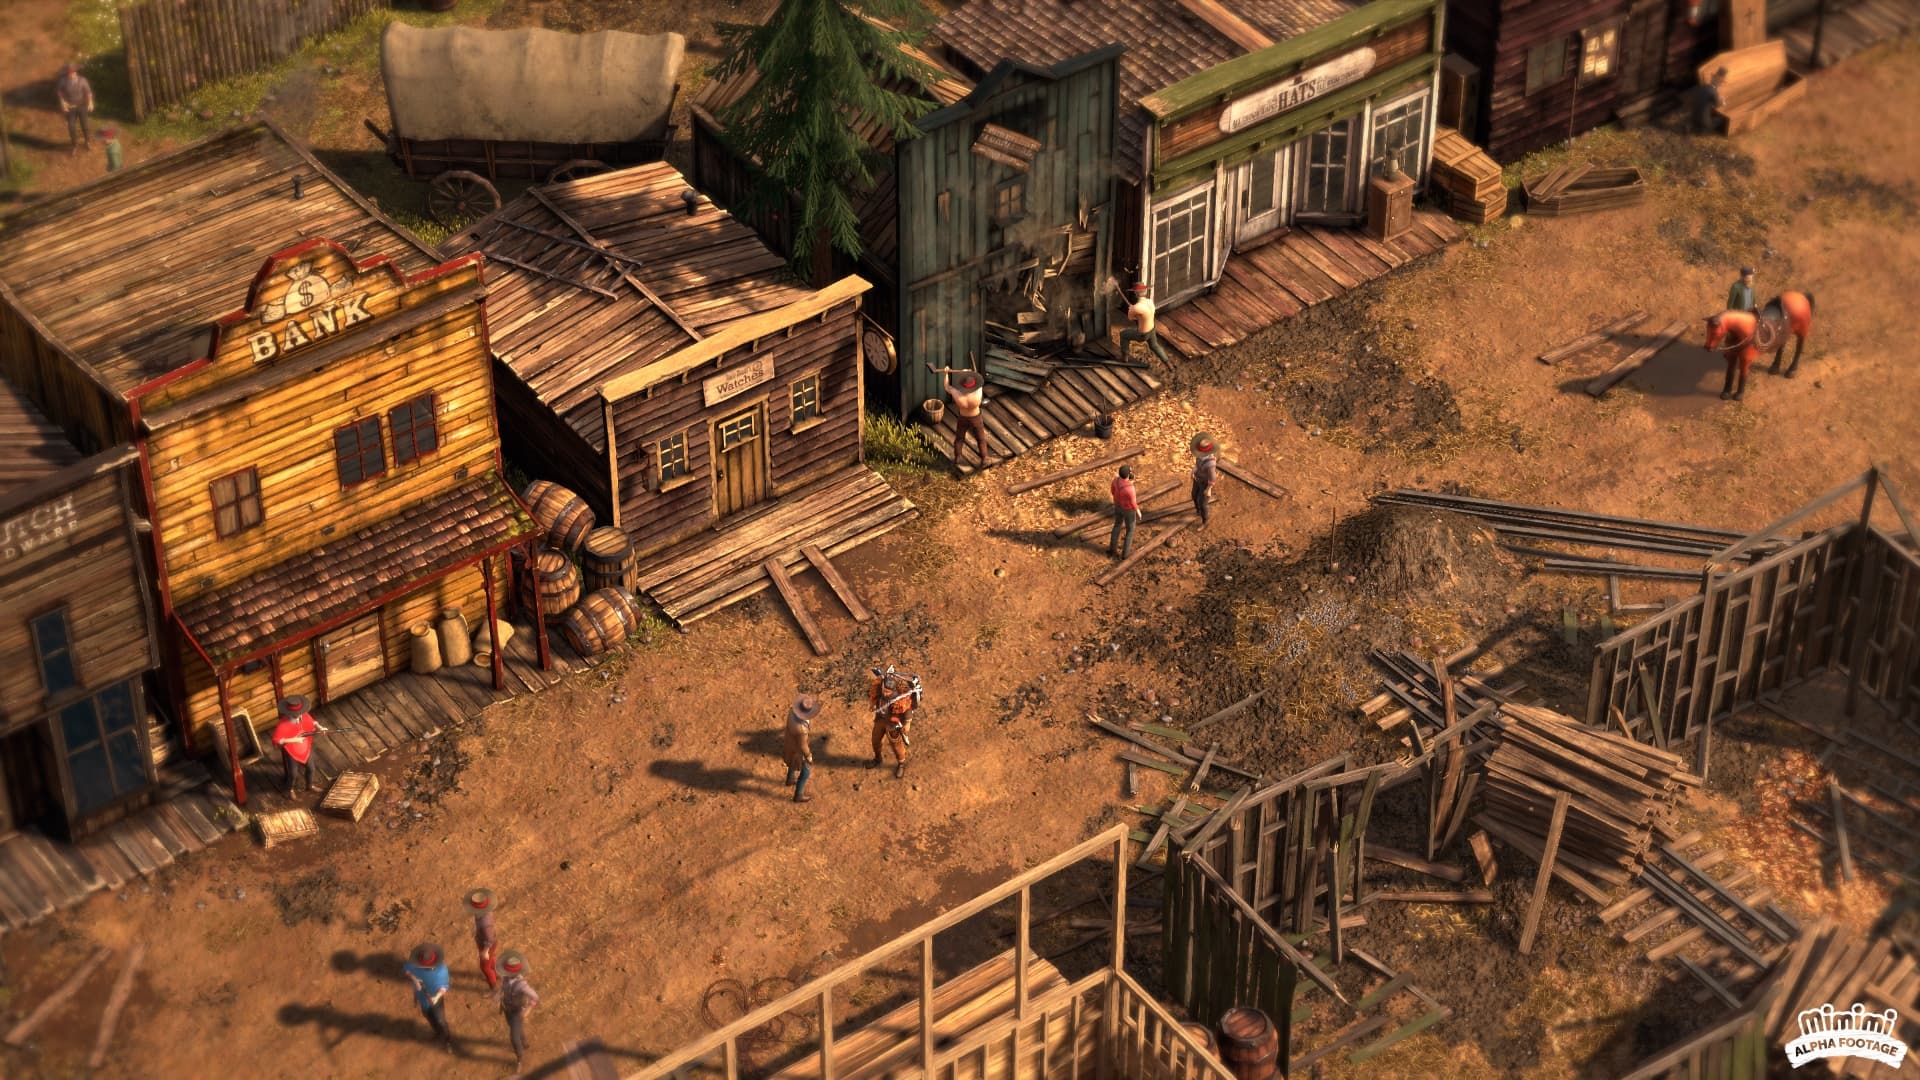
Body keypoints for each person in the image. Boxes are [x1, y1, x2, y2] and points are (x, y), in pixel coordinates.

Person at [932, 366, 988, 475]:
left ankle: (957, 457)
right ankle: (984, 459)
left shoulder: (956, 392)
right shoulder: (978, 390)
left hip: (963, 418)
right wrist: (968, 372)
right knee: (981, 439)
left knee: (959, 439)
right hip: (976, 417)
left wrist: (946, 373)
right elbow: (977, 378)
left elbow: (947, 387)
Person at [403, 943, 456, 1054]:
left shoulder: (441, 970)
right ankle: (437, 1033)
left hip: (435, 1000)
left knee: (440, 1020)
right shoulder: (415, 964)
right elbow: (406, 968)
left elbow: (444, 986)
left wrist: (436, 997)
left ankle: (448, 1041)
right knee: (428, 1016)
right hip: (422, 997)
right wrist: (414, 979)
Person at [869, 665, 920, 779]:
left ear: (893, 690)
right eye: (884, 690)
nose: (885, 693)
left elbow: (907, 712)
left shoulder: (900, 699)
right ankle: (877, 758)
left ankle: (901, 764)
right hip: (880, 720)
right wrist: (873, 704)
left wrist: (907, 724)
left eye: (888, 692)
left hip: (892, 725)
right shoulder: (879, 688)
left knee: (896, 746)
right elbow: (875, 697)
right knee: (875, 741)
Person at [270, 695, 323, 795]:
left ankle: (309, 785)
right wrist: (293, 739)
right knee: (293, 774)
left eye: (299, 713)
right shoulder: (282, 724)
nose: (298, 715)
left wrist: (320, 728)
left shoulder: (305, 715)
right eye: (295, 714)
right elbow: (277, 740)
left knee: (311, 768)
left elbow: (313, 722)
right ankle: (289, 789)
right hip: (292, 751)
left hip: (305, 748)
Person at [496, 950, 540, 1071]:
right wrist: (498, 997)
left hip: (516, 1012)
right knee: (516, 1027)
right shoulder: (506, 979)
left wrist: (528, 1010)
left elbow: (535, 997)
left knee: (514, 1038)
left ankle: (519, 1058)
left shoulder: (522, 985)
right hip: (507, 1010)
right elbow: (502, 989)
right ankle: (524, 1042)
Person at [1119, 282, 1172, 364]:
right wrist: (1137, 313)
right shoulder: (1150, 302)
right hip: (1152, 330)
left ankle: (1124, 359)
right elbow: (1146, 315)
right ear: (1145, 291)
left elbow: (1130, 318)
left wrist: (1132, 309)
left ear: (1136, 294)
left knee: (1123, 334)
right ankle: (1168, 364)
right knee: (1155, 345)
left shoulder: (1136, 307)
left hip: (1143, 335)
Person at [783, 693, 820, 803]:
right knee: (806, 770)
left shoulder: (792, 711)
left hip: (790, 743)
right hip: (798, 748)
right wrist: (809, 756)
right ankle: (798, 795)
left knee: (792, 760)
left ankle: (790, 779)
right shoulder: (801, 730)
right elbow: (803, 746)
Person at [465, 888, 499, 990]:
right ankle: (497, 974)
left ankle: (493, 986)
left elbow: (489, 939)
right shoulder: (485, 911)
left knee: (485, 967)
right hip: (487, 941)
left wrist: (485, 951)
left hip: (487, 944)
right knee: (491, 960)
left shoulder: (485, 924)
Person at [56, 63, 94, 154]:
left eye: (73, 72)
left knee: (85, 125)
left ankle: (87, 141)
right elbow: (60, 92)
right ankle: (74, 145)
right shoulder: (63, 81)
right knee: (71, 126)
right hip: (70, 108)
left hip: (82, 106)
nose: (71, 74)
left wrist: (90, 102)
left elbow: (88, 92)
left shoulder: (83, 80)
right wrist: (62, 102)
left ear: (76, 72)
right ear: (67, 73)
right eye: (69, 72)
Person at [1109, 465, 1141, 559]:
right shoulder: (1130, 488)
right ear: (1128, 475)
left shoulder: (1115, 480)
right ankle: (1125, 555)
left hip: (1118, 506)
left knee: (1117, 526)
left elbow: (1112, 491)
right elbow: (1133, 502)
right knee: (1130, 531)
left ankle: (1112, 550)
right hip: (1128, 511)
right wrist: (1138, 511)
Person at [1190, 433, 1219, 528]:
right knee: (1194, 495)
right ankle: (1198, 511)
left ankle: (1205, 521)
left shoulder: (1210, 463)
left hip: (1205, 483)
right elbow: (1197, 465)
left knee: (1203, 504)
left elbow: (1212, 477)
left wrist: (1208, 489)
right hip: (1197, 479)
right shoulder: (1199, 456)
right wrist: (1193, 471)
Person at [1690, 68, 1726, 134]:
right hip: (1704, 122)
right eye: (1721, 83)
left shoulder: (1703, 87)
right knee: (1721, 119)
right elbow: (1717, 105)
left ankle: (1696, 126)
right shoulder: (1714, 92)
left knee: (1706, 110)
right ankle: (1703, 130)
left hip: (1694, 118)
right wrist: (1722, 102)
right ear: (1719, 83)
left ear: (1711, 79)